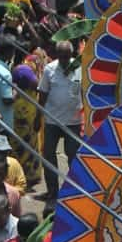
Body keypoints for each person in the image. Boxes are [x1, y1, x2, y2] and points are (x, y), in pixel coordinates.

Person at [37, 42, 81, 201]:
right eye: (61, 56)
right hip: (52, 121)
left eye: (66, 57)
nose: (64, 60)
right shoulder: (49, 69)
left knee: (73, 157)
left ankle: (74, 191)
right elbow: (42, 95)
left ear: (71, 55)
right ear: (57, 55)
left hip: (73, 122)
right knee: (48, 156)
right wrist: (38, 117)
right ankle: (52, 191)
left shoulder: (79, 68)